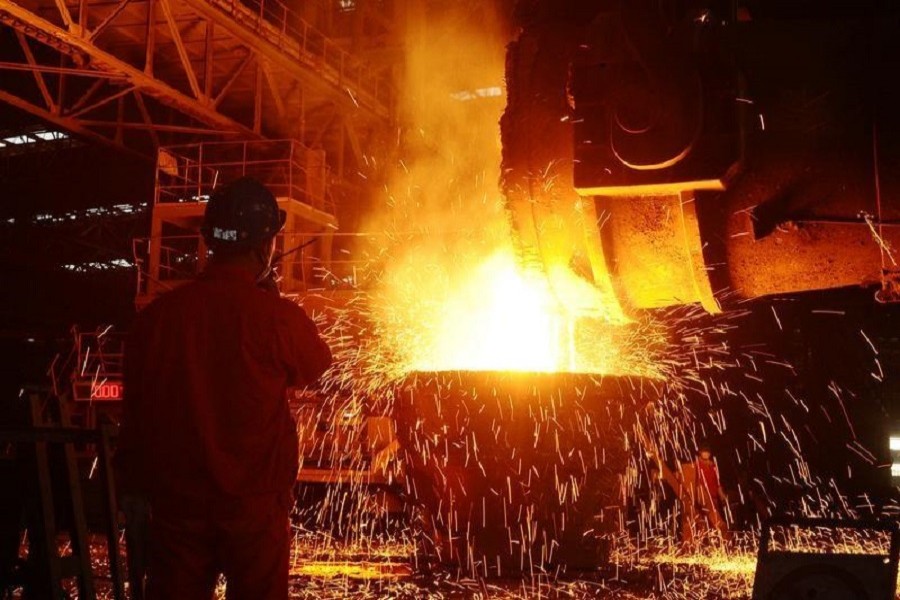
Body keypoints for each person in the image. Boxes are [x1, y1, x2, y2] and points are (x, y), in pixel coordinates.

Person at [115, 177, 332, 600]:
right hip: (253, 510)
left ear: (210, 240)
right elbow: (317, 366)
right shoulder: (276, 317)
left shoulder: (156, 319)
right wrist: (269, 300)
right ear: (266, 246)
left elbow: (135, 413)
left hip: (176, 508)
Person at [651, 443, 731, 549]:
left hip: (712, 498)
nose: (706, 454)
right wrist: (660, 475)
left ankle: (725, 544)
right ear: (700, 453)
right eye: (704, 452)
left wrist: (722, 495)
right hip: (699, 497)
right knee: (694, 522)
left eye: (707, 452)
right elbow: (681, 475)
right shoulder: (694, 465)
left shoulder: (713, 466)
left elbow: (717, 483)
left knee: (716, 522)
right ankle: (691, 546)